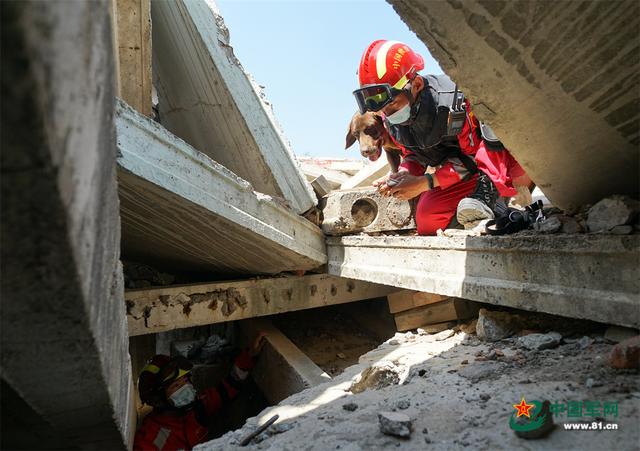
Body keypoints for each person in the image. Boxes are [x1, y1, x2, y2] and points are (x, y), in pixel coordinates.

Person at [353, 40, 531, 235]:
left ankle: (499, 205)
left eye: (393, 104)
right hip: (455, 175)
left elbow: (471, 159)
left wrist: (425, 183)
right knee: (428, 220)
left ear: (417, 85)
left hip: (488, 168)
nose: (386, 112)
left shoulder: (453, 104)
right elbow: (412, 154)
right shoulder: (389, 118)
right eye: (381, 108)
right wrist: (404, 173)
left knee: (516, 172)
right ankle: (476, 216)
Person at [133, 334, 265, 450]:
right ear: (158, 399)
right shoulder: (151, 439)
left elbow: (227, 388)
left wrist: (249, 356)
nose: (186, 387)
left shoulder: (196, 409)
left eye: (185, 380)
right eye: (176, 385)